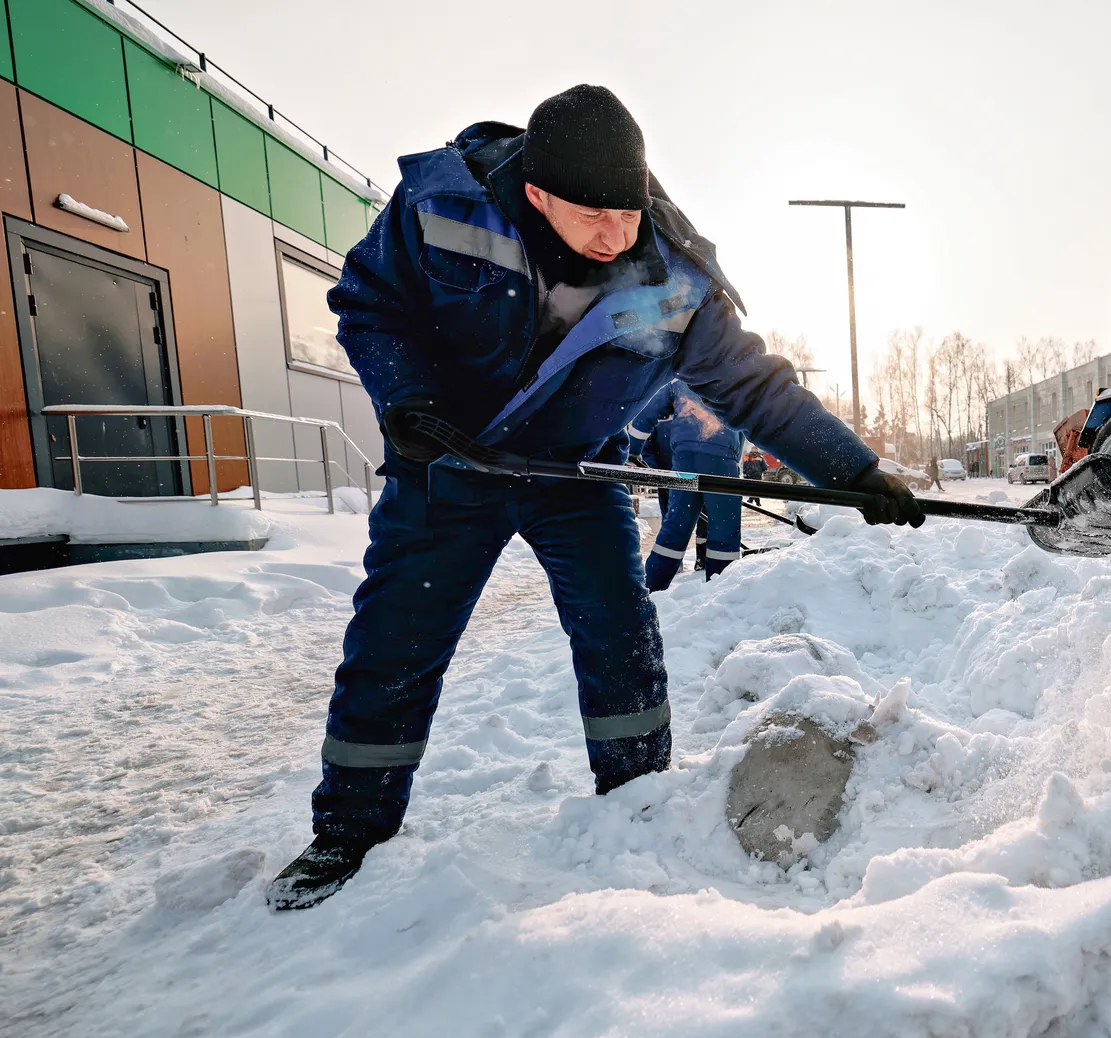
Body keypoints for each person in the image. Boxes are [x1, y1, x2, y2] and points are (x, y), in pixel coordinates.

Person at [267, 85, 923, 911]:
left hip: (575, 475)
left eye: (631, 210)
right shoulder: (444, 207)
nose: (618, 234)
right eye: (594, 216)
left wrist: (854, 473)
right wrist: (406, 401)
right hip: (450, 467)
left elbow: (756, 388)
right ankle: (348, 832)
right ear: (537, 197)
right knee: (396, 642)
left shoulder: (673, 281)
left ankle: (639, 798)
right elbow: (370, 304)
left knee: (618, 629)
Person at [643, 385, 745, 590]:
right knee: (724, 529)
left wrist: (633, 449)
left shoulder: (681, 378)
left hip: (681, 462)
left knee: (675, 527)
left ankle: (650, 588)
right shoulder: (739, 376)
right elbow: (746, 424)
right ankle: (721, 590)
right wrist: (734, 457)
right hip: (720, 458)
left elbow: (649, 410)